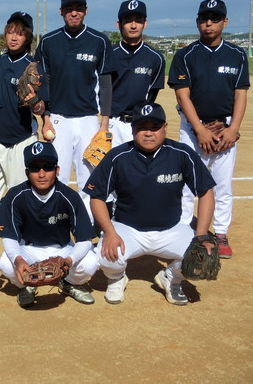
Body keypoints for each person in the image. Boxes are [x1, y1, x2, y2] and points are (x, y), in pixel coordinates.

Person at [83, 103, 216, 305]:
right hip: (127, 229)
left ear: (165, 127)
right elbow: (97, 196)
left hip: (171, 229)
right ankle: (116, 278)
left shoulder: (181, 153)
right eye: (142, 127)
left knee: (201, 255)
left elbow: (206, 191)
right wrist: (109, 232)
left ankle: (171, 277)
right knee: (106, 254)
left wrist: (202, 234)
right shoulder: (118, 156)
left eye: (154, 127)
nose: (148, 133)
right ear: (133, 129)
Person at [168, 0, 249, 259]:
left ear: (225, 22)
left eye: (215, 19)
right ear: (197, 22)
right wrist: (199, 129)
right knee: (186, 185)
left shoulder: (237, 54)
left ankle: (221, 233)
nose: (209, 23)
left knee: (222, 185)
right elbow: (182, 95)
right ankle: (183, 231)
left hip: (224, 128)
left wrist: (233, 129)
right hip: (193, 128)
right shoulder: (186, 55)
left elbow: (240, 93)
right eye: (204, 19)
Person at [35, 0, 115, 219]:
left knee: (88, 176)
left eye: (78, 8)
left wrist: (104, 124)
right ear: (61, 11)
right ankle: (57, 222)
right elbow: (43, 83)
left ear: (86, 10)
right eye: (69, 8)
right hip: (58, 119)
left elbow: (106, 85)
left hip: (89, 119)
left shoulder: (99, 41)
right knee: (56, 174)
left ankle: (87, 224)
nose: (74, 13)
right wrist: (46, 119)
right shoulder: (49, 41)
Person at [0, 141, 98, 308]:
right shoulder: (15, 195)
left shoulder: (70, 197)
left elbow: (85, 239)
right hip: (29, 249)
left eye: (48, 167)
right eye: (35, 168)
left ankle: (69, 283)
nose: (41, 174)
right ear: (27, 172)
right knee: (6, 263)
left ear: (57, 170)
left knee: (90, 263)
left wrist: (68, 261)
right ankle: (26, 285)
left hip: (62, 249)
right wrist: (19, 260)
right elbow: (9, 236)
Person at [0, 12, 48, 220]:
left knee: (23, 196)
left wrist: (35, 102)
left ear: (27, 37)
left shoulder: (34, 67)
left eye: (19, 33)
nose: (13, 37)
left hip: (22, 140)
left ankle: (25, 233)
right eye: (10, 32)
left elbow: (41, 108)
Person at [109, 0, 165, 146]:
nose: (133, 26)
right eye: (128, 20)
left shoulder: (155, 58)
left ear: (145, 23)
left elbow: (152, 94)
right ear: (119, 24)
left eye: (138, 21)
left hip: (140, 124)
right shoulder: (109, 55)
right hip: (112, 123)